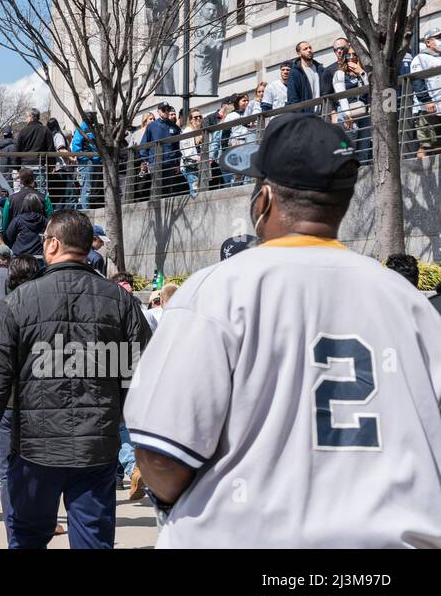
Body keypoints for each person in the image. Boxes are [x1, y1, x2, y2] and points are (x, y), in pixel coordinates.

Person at [125, 113, 441, 547]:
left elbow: (161, 455)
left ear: (264, 200)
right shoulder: (411, 304)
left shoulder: (217, 288)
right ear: (344, 201)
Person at [0, 210, 150, 549]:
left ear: (53, 244)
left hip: (33, 447)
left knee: (26, 537)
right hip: (95, 446)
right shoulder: (122, 301)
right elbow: (143, 372)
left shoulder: (18, 301)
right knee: (93, 539)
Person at [409, 28, 441, 157]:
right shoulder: (420, 58)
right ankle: (416, 175)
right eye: (437, 37)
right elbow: (417, 81)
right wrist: (426, 100)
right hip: (427, 109)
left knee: (438, 145)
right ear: (428, 42)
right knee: (426, 146)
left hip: (439, 108)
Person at [285, 40, 325, 112]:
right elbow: (293, 98)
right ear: (299, 53)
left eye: (310, 48)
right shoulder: (295, 72)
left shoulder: (320, 69)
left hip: (322, 114)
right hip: (305, 117)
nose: (309, 50)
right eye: (305, 49)